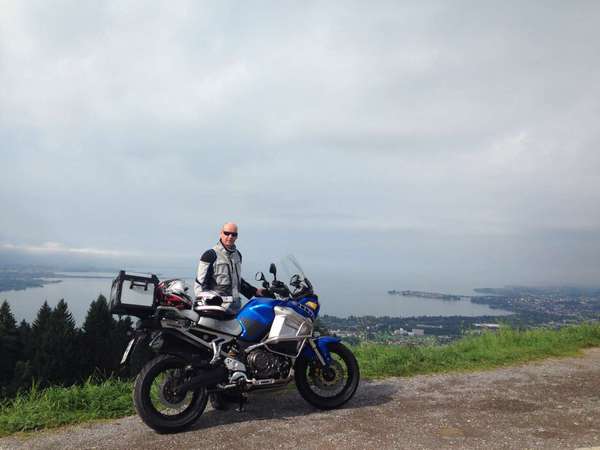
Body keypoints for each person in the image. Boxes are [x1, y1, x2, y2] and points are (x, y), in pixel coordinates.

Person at [194, 222, 264, 315]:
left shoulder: (238, 255)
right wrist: (207, 307)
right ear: (221, 233)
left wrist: (255, 291)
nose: (230, 236)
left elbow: (236, 280)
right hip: (217, 308)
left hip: (235, 307)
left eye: (234, 234)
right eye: (227, 233)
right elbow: (200, 283)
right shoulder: (210, 255)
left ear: (237, 237)